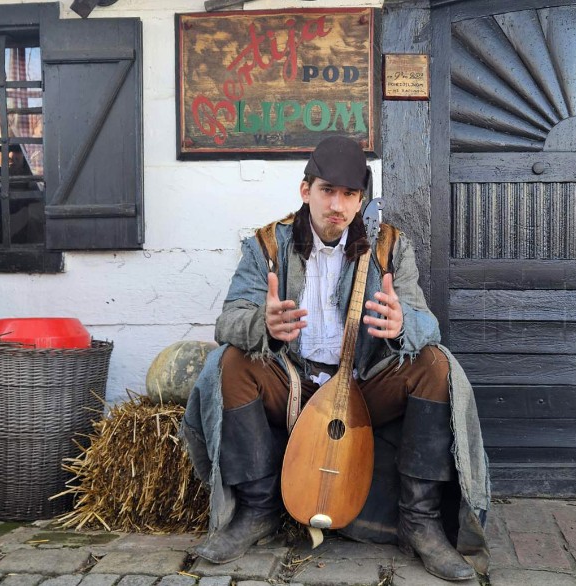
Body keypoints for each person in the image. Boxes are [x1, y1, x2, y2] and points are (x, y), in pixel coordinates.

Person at [181, 136, 490, 582]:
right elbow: (228, 321)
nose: (337, 205)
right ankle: (257, 511)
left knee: (435, 365)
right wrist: (262, 326)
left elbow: (427, 323)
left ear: (360, 200)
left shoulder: (389, 249)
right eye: (328, 191)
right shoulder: (267, 246)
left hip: (359, 389)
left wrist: (404, 324)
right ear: (306, 190)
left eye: (349, 195)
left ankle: (418, 523)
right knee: (230, 362)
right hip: (290, 384)